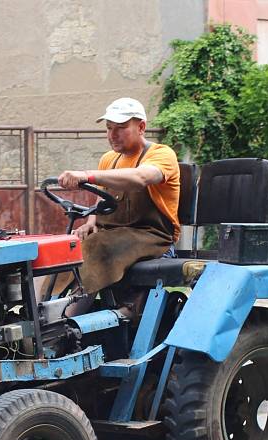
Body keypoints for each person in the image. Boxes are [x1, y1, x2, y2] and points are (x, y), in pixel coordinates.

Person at [57, 97, 180, 306]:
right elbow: (101, 197)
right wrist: (91, 222)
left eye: (121, 128)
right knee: (64, 247)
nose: (112, 135)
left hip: (153, 237)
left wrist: (87, 175)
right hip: (115, 235)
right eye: (109, 128)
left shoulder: (161, 154)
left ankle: (65, 321)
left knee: (96, 247)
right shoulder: (109, 159)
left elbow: (141, 178)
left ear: (141, 127)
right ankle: (42, 307)